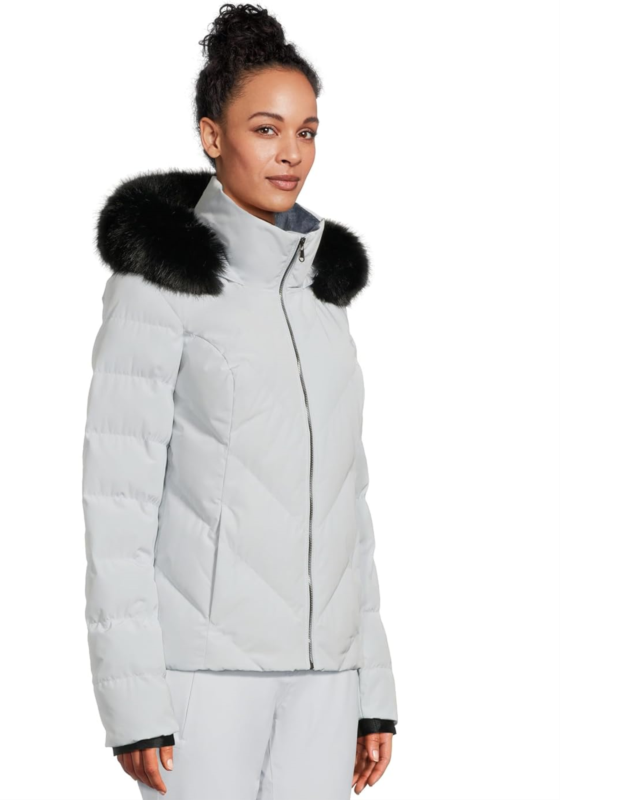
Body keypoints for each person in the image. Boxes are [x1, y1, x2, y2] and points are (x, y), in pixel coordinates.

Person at [82, 4, 398, 797]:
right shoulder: (161, 284)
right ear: (212, 135)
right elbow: (118, 505)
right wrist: (135, 707)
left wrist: (373, 689)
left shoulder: (322, 300)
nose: (292, 153)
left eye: (308, 131)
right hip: (203, 680)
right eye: (266, 129)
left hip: (326, 682)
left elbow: (348, 509)